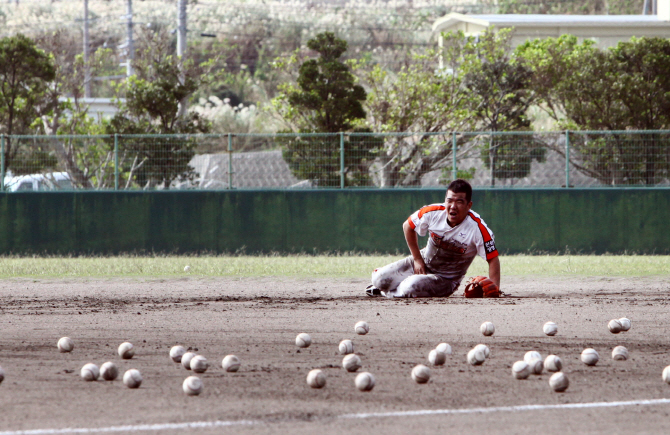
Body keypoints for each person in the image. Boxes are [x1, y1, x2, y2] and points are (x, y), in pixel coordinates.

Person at [366, 179, 500, 298]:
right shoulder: (433, 212)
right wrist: (418, 259)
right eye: (450, 200)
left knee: (409, 286)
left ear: (468, 205)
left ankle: (385, 292)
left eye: (459, 201)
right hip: (422, 262)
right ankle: (383, 287)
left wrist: (495, 289)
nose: (453, 206)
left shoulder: (478, 228)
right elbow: (408, 226)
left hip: (445, 279)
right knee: (379, 279)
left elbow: (492, 258)